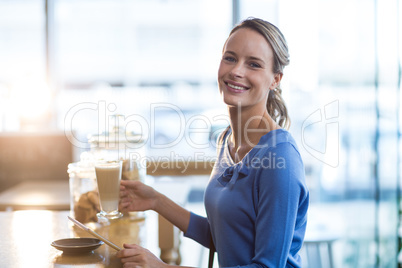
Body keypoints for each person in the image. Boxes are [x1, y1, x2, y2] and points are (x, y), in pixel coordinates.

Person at [117, 17, 309, 268]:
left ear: (275, 80)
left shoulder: (281, 161)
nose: (236, 71)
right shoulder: (228, 140)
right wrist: (156, 200)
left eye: (253, 64)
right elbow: (225, 235)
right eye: (230, 58)